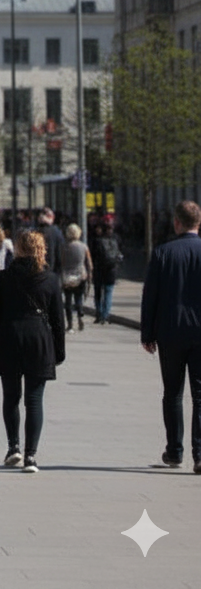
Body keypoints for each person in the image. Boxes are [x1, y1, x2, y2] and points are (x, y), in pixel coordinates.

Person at [0, 230, 65, 473]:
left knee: (11, 397)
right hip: (39, 341)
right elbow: (59, 320)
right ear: (42, 249)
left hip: (8, 339)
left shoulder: (3, 277)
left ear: (17, 249)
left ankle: (13, 448)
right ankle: (31, 456)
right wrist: (59, 352)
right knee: (34, 400)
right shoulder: (50, 279)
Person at [140, 200, 201, 471]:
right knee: (200, 395)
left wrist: (147, 332)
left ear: (177, 222)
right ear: (198, 223)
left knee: (173, 394)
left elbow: (150, 295)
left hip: (171, 332)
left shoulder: (163, 252)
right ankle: (200, 455)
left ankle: (174, 451)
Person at [59, 223, 92, 333]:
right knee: (79, 298)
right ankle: (80, 315)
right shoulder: (84, 246)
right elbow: (89, 263)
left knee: (68, 301)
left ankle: (70, 325)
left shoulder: (64, 247)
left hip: (67, 276)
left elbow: (62, 262)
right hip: (80, 275)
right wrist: (89, 274)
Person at [89, 218, 122, 324]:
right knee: (108, 292)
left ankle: (98, 314)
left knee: (98, 293)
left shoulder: (97, 241)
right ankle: (105, 315)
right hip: (111, 271)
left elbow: (92, 256)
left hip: (99, 270)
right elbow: (120, 253)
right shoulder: (116, 239)